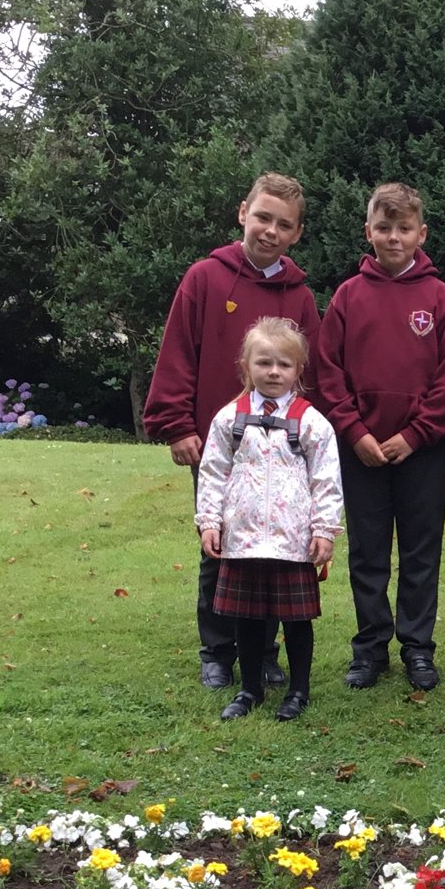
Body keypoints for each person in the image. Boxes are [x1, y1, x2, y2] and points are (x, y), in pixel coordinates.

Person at [143, 173, 322, 694]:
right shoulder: (204, 279)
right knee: (220, 549)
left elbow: (311, 376)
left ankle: (263, 655)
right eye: (263, 217)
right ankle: (218, 652)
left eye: (283, 224)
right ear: (243, 212)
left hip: (283, 452)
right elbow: (178, 354)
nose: (270, 230)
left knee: (272, 554)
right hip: (220, 444)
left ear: (296, 233)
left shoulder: (301, 297)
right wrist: (177, 425)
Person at [314, 182, 445, 693]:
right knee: (368, 552)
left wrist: (416, 433)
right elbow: (327, 371)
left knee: (422, 551)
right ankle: (370, 648)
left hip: (421, 451)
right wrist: (354, 432)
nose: (394, 238)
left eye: (404, 229)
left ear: (421, 233)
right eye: (384, 228)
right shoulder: (348, 296)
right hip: (361, 451)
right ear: (368, 232)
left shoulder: (440, 298)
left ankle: (418, 649)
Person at [194, 319, 343, 722]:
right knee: (247, 617)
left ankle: (298, 690)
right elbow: (212, 472)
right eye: (264, 363)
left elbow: (327, 480)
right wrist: (210, 521)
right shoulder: (229, 419)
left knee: (297, 620)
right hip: (242, 539)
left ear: (298, 370)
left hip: (292, 541)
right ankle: (250, 689)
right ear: (246, 367)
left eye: (284, 365)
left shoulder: (312, 423)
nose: (274, 372)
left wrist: (324, 531)